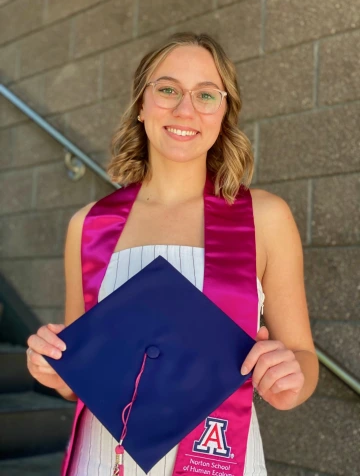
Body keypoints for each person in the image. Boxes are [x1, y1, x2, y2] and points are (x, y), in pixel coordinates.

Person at [26, 32, 319, 476]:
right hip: (105, 460)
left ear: (223, 112)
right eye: (167, 90)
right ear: (141, 105)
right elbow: (81, 375)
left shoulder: (264, 217)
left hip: (218, 455)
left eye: (205, 94)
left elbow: (303, 356)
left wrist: (290, 380)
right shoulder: (88, 225)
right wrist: (53, 369)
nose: (185, 110)